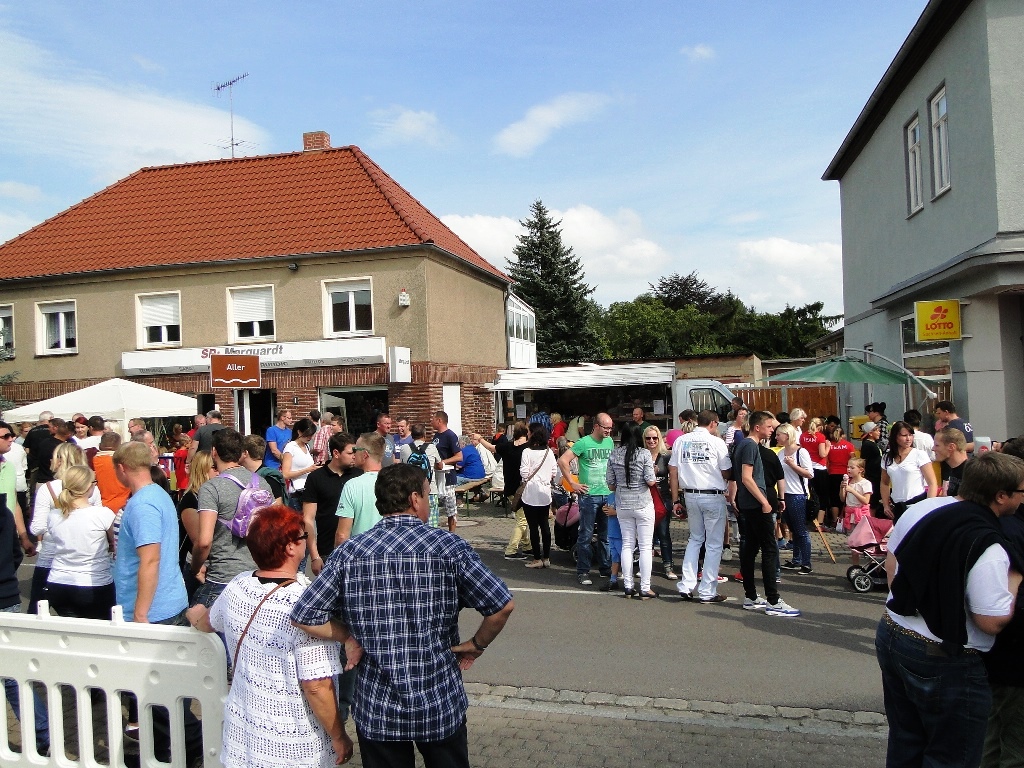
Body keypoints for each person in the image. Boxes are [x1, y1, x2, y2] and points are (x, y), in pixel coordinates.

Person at [291, 463, 514, 768]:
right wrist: (477, 644)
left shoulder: (350, 552)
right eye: (427, 494)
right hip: (437, 700)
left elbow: (305, 614)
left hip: (378, 707)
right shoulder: (449, 548)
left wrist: (348, 636)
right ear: (414, 499)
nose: (429, 501)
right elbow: (501, 605)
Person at [877, 452, 1024, 768]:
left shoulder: (924, 509)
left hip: (893, 632)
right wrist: (1014, 581)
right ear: (1001, 496)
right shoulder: (991, 546)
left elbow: (893, 566)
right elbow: (990, 620)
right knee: (951, 756)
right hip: (942, 657)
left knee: (906, 742)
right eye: (1021, 492)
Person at [187, 505, 355, 768]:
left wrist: (195, 613)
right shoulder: (306, 605)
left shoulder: (239, 586)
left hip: (242, 733)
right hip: (292, 744)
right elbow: (316, 686)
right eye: (304, 537)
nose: (306, 542)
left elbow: (207, 622)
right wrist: (339, 735)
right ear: (290, 548)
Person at [191, 429, 274, 608]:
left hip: (223, 577)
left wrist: (195, 568)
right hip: (256, 574)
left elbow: (204, 541)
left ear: (214, 452)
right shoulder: (262, 482)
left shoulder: (212, 488)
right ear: (242, 453)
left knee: (199, 627)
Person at [1, 461, 50, 756]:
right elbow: (14, 555)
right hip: (7, 596)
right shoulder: (5, 513)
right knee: (14, 675)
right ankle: (43, 735)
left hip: (5, 597)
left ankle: (43, 735)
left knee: (14, 677)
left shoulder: (6, 513)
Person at [112, 441, 189, 624]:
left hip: (153, 611)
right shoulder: (159, 494)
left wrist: (140, 614)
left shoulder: (142, 505)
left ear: (122, 468)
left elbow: (150, 559)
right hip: (168, 600)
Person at [982, 438, 1024, 767]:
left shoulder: (992, 520)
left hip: (999, 652)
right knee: (1008, 741)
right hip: (1008, 652)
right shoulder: (1006, 526)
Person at [734, 411, 800, 617]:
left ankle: (751, 596)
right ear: (757, 427)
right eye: (770, 427)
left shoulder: (746, 445)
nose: (772, 430)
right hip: (755, 504)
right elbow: (746, 477)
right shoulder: (750, 445)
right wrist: (764, 502)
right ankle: (773, 600)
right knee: (770, 549)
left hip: (750, 504)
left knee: (751, 547)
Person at [671, 410, 732, 602]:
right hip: (712, 494)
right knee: (713, 544)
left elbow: (674, 469)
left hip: (690, 493)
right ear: (713, 423)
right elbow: (726, 472)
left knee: (695, 539)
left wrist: (675, 499)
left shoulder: (681, 440)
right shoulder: (716, 442)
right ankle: (707, 590)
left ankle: (687, 584)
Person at [29, 442, 96, 613]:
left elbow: (37, 527)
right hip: (84, 561)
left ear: (60, 460)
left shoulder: (48, 488)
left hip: (51, 558)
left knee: (36, 613)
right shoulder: (93, 488)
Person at [43, 465, 116, 619]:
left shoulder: (54, 515)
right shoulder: (103, 514)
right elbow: (114, 544)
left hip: (58, 582)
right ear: (90, 487)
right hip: (94, 582)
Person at [558, 413, 615, 588]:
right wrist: (573, 484)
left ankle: (605, 568)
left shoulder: (610, 441)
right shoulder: (583, 443)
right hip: (589, 495)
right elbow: (563, 460)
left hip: (607, 494)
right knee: (586, 535)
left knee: (606, 536)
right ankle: (583, 571)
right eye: (605, 427)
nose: (608, 431)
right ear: (596, 426)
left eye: (610, 428)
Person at [606, 424, 658, 599]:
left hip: (623, 504)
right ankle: (645, 587)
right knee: (644, 546)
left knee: (627, 544)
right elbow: (651, 481)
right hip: (643, 503)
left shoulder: (614, 454)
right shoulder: (644, 454)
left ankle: (628, 586)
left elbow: (611, 484)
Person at [304, 433, 361, 573]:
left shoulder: (359, 475)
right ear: (336, 453)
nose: (354, 456)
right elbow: (308, 519)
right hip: (327, 552)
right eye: (350, 453)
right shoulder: (316, 478)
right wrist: (314, 556)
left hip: (358, 551)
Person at [479, 422, 530, 558]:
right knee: (523, 520)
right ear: (526, 433)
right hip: (523, 489)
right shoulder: (529, 448)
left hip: (509, 488)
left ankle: (527, 545)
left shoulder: (507, 447)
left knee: (521, 517)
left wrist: (480, 439)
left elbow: (491, 447)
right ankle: (511, 550)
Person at [177, 451, 216, 602]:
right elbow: (198, 539)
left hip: (213, 565)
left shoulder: (214, 497)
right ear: (203, 470)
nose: (219, 471)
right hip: (197, 567)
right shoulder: (190, 500)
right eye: (214, 467)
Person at [881, 420, 939, 521]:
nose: (908, 439)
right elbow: (884, 483)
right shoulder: (887, 458)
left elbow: (932, 483)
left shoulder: (919, 454)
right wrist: (886, 505)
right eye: (904, 435)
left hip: (916, 503)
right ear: (895, 437)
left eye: (910, 435)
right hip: (896, 505)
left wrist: (928, 506)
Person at [776, 423, 814, 575]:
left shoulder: (801, 452)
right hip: (784, 495)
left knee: (801, 530)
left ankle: (806, 562)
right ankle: (796, 559)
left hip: (798, 494)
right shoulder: (780, 453)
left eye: (779, 434)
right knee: (792, 529)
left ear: (787, 435)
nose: (776, 437)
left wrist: (792, 465)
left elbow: (809, 474)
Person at [334, 432, 384, 546]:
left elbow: (342, 535)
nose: (353, 454)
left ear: (365, 455)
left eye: (355, 450)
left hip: (361, 555)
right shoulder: (395, 482)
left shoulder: (352, 486)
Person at [519, 424, 556, 569]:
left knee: (533, 527)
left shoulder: (527, 452)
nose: (527, 434)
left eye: (529, 432)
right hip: (545, 493)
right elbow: (554, 471)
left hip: (530, 493)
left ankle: (536, 558)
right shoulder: (549, 452)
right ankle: (546, 557)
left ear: (533, 434)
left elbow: (524, 473)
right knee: (545, 525)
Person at [645, 425, 676, 580]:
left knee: (664, 534)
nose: (651, 441)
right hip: (645, 500)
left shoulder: (666, 456)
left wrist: (675, 500)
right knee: (647, 535)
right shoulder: (641, 455)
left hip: (663, 500)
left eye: (654, 438)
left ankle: (668, 566)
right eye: (648, 438)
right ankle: (646, 567)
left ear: (659, 439)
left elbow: (674, 478)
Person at [0, 420, 34, 557]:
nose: (12, 439)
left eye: (12, 435)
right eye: (6, 436)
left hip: (8, 533)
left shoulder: (8, 467)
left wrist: (24, 537)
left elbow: (14, 503)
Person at [399, 424, 442, 528]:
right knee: (432, 527)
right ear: (424, 434)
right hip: (430, 491)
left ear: (411, 435)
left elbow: (402, 466)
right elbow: (440, 465)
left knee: (412, 525)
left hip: (410, 492)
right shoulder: (432, 447)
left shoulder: (404, 449)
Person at [431, 411, 462, 533]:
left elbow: (459, 456)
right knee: (434, 506)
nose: (431, 422)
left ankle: (452, 534)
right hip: (436, 477)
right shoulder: (436, 436)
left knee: (450, 509)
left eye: (433, 419)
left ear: (439, 420)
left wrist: (443, 462)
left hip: (448, 477)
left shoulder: (450, 435)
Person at [281, 418, 318, 512]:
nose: (310, 437)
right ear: (299, 432)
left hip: (308, 491)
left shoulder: (306, 446)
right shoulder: (290, 447)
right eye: (307, 435)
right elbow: (285, 474)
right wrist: (308, 469)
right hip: (296, 493)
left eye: (311, 435)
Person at [799, 417, 830, 528]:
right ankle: (820, 522)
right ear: (820, 427)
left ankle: (805, 518)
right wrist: (828, 447)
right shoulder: (820, 437)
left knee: (809, 494)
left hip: (806, 467)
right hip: (819, 467)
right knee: (823, 496)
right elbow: (822, 454)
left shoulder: (803, 436)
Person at [825, 426, 855, 530]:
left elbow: (826, 461)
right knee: (845, 497)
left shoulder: (829, 446)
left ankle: (834, 521)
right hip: (845, 474)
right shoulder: (849, 446)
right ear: (843, 435)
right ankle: (845, 519)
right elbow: (853, 459)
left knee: (834, 498)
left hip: (832, 473)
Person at [934, 426, 969, 497]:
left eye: (937, 445)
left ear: (951, 447)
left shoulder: (971, 472)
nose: (933, 449)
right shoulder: (951, 468)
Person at [859, 421, 884, 516]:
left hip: (877, 475)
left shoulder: (874, 443)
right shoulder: (867, 445)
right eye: (876, 430)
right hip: (871, 475)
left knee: (875, 500)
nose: (879, 432)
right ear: (870, 433)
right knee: (872, 501)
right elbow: (864, 460)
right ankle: (870, 520)